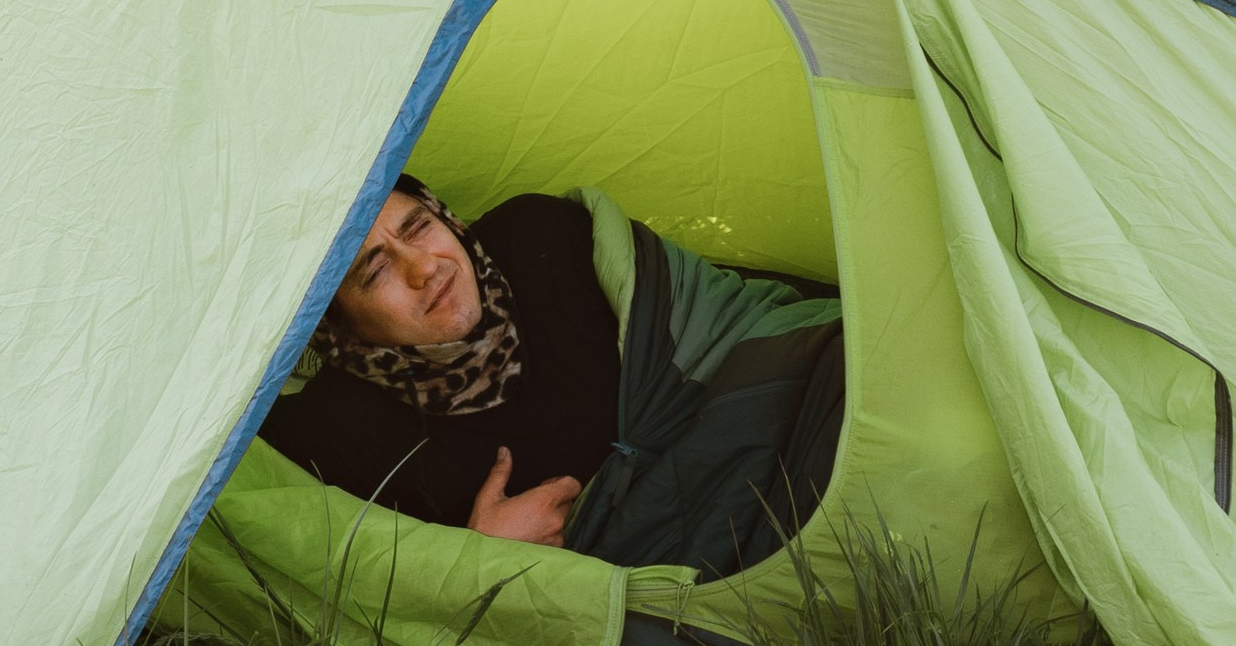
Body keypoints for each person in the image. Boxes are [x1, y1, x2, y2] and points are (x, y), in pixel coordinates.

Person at [262, 176, 846, 584]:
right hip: (655, 574)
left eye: (417, 228)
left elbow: (710, 326)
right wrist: (477, 557)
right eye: (374, 271)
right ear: (334, 325)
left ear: (447, 218)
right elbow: (379, 598)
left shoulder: (538, 237)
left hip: (771, 424)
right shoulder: (339, 433)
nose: (424, 268)